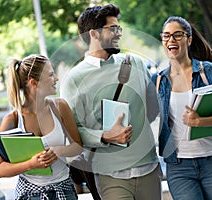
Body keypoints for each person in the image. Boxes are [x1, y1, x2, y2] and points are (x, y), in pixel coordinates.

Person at [60, 4, 163, 200]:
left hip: (148, 168)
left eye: (119, 28)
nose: (118, 33)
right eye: (112, 29)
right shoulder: (74, 79)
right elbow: (72, 131)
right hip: (110, 176)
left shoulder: (136, 63)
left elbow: (153, 107)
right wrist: (105, 136)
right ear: (94, 34)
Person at [153, 16, 212, 200]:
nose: (171, 40)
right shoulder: (158, 80)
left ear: (189, 39)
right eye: (166, 36)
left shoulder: (207, 72)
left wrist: (202, 122)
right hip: (179, 167)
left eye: (178, 35)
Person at [0, 54, 83, 200]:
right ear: (34, 83)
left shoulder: (60, 107)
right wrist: (30, 164)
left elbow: (78, 146)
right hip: (29, 194)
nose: (56, 79)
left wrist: (60, 150)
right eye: (51, 75)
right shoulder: (13, 120)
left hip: (64, 190)